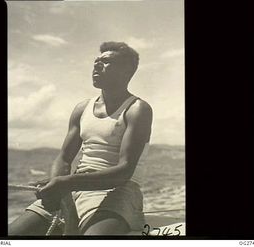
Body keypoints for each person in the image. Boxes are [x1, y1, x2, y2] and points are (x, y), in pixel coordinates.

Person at [8, 41, 153, 235]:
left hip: (120, 191)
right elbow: (64, 158)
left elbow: (124, 171)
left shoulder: (137, 109)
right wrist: (59, 185)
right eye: (96, 61)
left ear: (127, 71)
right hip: (74, 186)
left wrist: (65, 183)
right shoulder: (82, 108)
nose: (97, 65)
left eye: (107, 61)